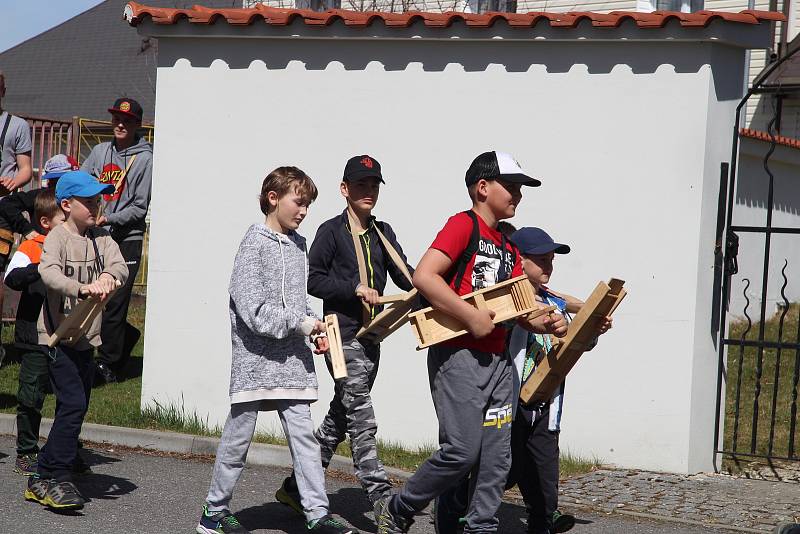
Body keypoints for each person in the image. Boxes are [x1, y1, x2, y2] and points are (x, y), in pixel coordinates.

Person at [376, 151, 567, 534]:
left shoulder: (509, 245)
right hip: (458, 357)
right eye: (510, 187)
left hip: (499, 367)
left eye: (519, 189)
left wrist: (549, 323)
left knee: (496, 458)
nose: (518, 195)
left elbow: (519, 310)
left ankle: (481, 526)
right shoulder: (462, 226)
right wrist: (470, 317)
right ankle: (399, 508)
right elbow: (425, 277)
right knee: (462, 452)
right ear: (482, 188)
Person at [196, 166, 358, 534]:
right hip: (254, 364)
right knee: (237, 440)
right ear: (273, 198)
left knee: (304, 441)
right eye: (298, 203)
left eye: (308, 206)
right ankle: (214, 512)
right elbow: (253, 310)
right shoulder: (253, 243)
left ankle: (317, 514)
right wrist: (300, 324)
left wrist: (312, 329)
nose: (304, 212)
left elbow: (297, 304)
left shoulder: (300, 245)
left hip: (293, 365)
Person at [275, 155, 414, 522]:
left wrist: (438, 289)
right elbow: (313, 279)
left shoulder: (383, 232)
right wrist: (354, 288)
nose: (368, 192)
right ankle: (383, 504)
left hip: (372, 337)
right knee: (362, 420)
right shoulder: (331, 231)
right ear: (344, 190)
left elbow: (407, 277)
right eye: (361, 185)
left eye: (374, 185)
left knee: (342, 414)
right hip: (340, 336)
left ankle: (294, 488)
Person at [24, 171, 128, 511]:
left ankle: (42, 474)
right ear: (66, 205)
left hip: (86, 337)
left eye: (98, 199)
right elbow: (48, 272)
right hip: (57, 338)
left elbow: (121, 266)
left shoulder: (101, 237)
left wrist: (110, 277)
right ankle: (58, 476)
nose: (96, 204)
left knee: (76, 407)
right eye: (89, 200)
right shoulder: (58, 236)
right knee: (72, 405)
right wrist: (82, 287)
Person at [81, 97, 152, 383]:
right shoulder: (100, 151)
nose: (120, 124)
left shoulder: (145, 159)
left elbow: (139, 208)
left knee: (115, 299)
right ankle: (125, 338)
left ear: (137, 124)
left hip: (127, 238)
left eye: (127, 121)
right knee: (98, 296)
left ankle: (107, 365)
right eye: (116, 119)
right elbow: (82, 182)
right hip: (99, 236)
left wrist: (108, 219)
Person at [6, 189, 65, 476]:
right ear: (45, 222)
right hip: (33, 334)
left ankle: (61, 451)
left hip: (66, 334)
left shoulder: (74, 243)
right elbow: (12, 278)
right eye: (63, 217)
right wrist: (39, 268)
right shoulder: (32, 246)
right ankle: (26, 451)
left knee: (69, 397)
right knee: (31, 396)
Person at [0, 154, 79, 241]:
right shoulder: (39, 196)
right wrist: (27, 230)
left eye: (65, 180)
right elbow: (6, 203)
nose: (58, 185)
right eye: (54, 180)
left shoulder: (83, 199)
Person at [0, 70, 32, 198]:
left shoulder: (18, 125)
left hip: (4, 205)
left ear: (3, 91)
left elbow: (26, 169)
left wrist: (12, 183)